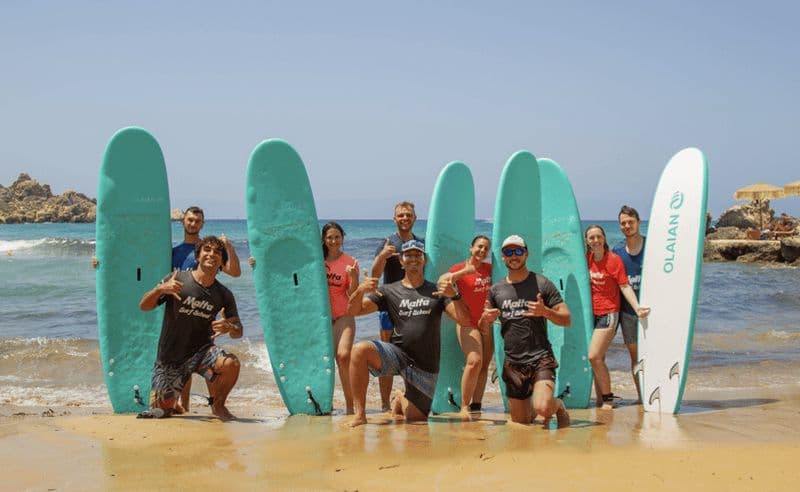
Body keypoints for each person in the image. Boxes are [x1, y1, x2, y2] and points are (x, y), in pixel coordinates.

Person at [347, 239, 471, 427]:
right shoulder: (389, 290)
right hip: (398, 355)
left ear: (424, 260)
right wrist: (360, 291)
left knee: (416, 419)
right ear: (401, 261)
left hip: (425, 364)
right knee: (359, 350)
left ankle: (399, 398)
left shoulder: (437, 291)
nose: (413, 259)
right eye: (408, 256)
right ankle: (360, 414)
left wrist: (454, 294)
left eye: (417, 255)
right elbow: (355, 311)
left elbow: (464, 320)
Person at [138, 236, 243, 420]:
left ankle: (218, 406)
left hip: (203, 354)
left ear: (222, 261)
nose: (212, 254)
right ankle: (173, 402)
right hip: (171, 358)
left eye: (217, 252)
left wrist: (229, 326)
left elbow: (238, 331)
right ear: (198, 256)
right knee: (160, 413)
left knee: (230, 363)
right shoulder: (177, 279)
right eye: (207, 250)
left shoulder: (224, 294)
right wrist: (159, 290)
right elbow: (144, 306)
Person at [479, 235, 571, 428]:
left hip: (540, 358)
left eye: (518, 251)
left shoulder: (542, 283)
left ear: (526, 254)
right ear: (502, 257)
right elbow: (483, 328)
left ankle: (558, 406)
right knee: (521, 422)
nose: (514, 256)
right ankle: (531, 404)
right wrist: (485, 320)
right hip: (513, 363)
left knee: (543, 408)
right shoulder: (496, 290)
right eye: (508, 252)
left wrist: (545, 311)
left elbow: (566, 319)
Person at [585, 224, 650, 409]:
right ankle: (600, 400)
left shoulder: (613, 260)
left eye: (599, 236)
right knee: (600, 358)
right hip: (592, 314)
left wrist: (637, 308)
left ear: (604, 238)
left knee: (594, 356)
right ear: (587, 241)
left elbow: (624, 286)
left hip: (609, 313)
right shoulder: (587, 259)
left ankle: (607, 398)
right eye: (592, 238)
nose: (596, 240)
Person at [370, 201, 423, 411]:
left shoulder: (419, 244)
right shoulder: (387, 243)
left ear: (414, 219)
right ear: (394, 219)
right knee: (386, 354)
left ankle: (412, 399)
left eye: (408, 215)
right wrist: (383, 256)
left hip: (414, 304)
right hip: (389, 305)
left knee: (413, 354)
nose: (404, 218)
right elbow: (374, 275)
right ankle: (384, 405)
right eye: (401, 215)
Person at [443, 235, 493, 417]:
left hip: (487, 322)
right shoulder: (458, 269)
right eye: (479, 247)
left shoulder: (490, 269)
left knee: (484, 365)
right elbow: (443, 282)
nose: (482, 251)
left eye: (486, 248)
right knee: (474, 361)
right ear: (471, 248)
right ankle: (464, 406)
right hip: (466, 322)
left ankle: (477, 406)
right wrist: (465, 271)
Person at [322, 222, 360, 414]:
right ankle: (322, 402)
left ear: (342, 238)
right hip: (321, 318)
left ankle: (351, 406)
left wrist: (353, 278)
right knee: (324, 361)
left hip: (344, 315)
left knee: (343, 356)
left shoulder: (350, 262)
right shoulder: (317, 260)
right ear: (323, 239)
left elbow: (354, 296)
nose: (333, 241)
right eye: (329, 237)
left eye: (337, 237)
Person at [611, 206, 646, 402]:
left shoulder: (651, 247)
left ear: (638, 222)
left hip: (651, 309)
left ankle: (660, 389)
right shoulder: (616, 251)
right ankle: (643, 396)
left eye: (630, 222)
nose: (627, 226)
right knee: (636, 357)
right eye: (623, 223)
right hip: (627, 313)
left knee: (655, 352)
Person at [172, 206, 241, 277]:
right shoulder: (173, 252)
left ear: (202, 224)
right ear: (183, 222)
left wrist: (229, 247)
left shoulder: (208, 251)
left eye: (197, 221)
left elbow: (235, 273)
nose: (193, 224)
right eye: (190, 220)